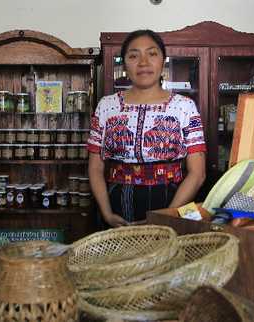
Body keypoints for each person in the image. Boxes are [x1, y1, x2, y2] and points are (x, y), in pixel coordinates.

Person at [88, 29, 206, 228]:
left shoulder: (185, 107)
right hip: (116, 205)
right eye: (134, 55)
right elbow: (95, 167)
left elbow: (197, 173)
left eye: (152, 54)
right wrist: (107, 213)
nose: (143, 62)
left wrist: (167, 218)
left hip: (170, 202)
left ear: (163, 61)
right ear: (124, 64)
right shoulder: (106, 106)